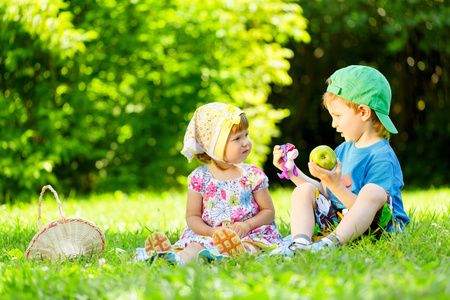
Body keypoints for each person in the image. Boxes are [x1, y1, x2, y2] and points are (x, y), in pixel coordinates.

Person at [271, 65, 410, 254]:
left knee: (372, 192)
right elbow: (326, 192)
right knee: (304, 190)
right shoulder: (343, 150)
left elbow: (367, 208)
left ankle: (326, 245)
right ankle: (299, 245)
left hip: (380, 228)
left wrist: (336, 185)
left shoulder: (382, 157)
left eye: (337, 116)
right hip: (342, 223)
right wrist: (291, 171)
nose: (333, 124)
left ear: (364, 112)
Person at [144, 102, 283, 265]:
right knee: (195, 245)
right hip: (209, 234)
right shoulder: (199, 178)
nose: (246, 142)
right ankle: (175, 258)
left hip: (249, 233)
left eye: (246, 135)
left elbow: (268, 211)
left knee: (253, 245)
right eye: (237, 138)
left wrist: (246, 225)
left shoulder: (252, 174)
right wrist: (211, 232)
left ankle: (240, 253)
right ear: (214, 147)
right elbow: (193, 216)